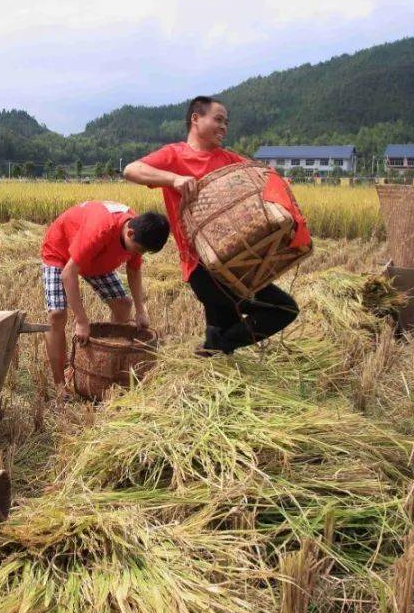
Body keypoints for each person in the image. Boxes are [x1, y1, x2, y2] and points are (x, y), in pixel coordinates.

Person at [123, 96, 299, 355]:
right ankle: (215, 346)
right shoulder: (174, 155)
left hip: (236, 261)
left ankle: (214, 348)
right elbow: (131, 170)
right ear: (196, 119)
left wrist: (281, 188)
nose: (224, 127)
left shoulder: (229, 159)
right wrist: (173, 179)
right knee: (283, 309)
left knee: (225, 332)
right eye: (218, 119)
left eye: (226, 122)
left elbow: (264, 178)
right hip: (204, 267)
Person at [40, 200, 170, 395]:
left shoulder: (139, 231)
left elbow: (134, 270)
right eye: (137, 250)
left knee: (123, 305)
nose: (138, 254)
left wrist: (141, 310)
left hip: (96, 258)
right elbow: (69, 273)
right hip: (61, 252)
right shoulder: (101, 229)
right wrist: (81, 320)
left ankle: (107, 368)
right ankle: (61, 386)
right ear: (130, 233)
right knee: (57, 315)